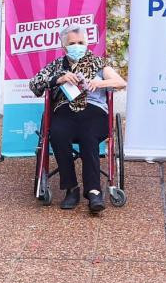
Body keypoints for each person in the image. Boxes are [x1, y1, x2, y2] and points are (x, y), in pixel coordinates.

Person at [29, 25, 128, 213]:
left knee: (88, 134)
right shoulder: (56, 66)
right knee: (58, 133)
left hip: (94, 110)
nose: (77, 46)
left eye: (81, 42)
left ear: (87, 43)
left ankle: (94, 191)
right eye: (72, 43)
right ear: (64, 46)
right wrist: (59, 79)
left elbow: (121, 82)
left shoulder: (99, 63)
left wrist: (100, 83)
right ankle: (71, 189)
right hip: (65, 110)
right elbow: (34, 85)